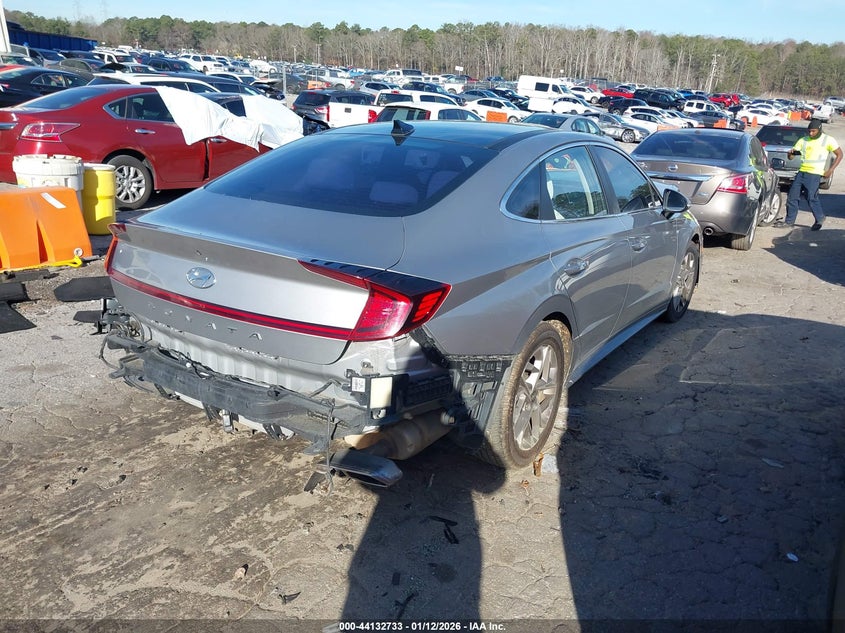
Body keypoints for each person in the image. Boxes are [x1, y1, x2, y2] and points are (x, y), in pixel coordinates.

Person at [775, 118, 843, 230]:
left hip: (815, 174)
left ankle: (820, 218)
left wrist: (830, 170)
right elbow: (791, 157)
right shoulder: (803, 140)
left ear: (819, 130)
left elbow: (840, 154)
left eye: (813, 131)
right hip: (802, 172)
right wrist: (790, 154)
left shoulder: (828, 140)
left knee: (811, 198)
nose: (811, 133)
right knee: (792, 197)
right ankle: (789, 221)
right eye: (809, 131)